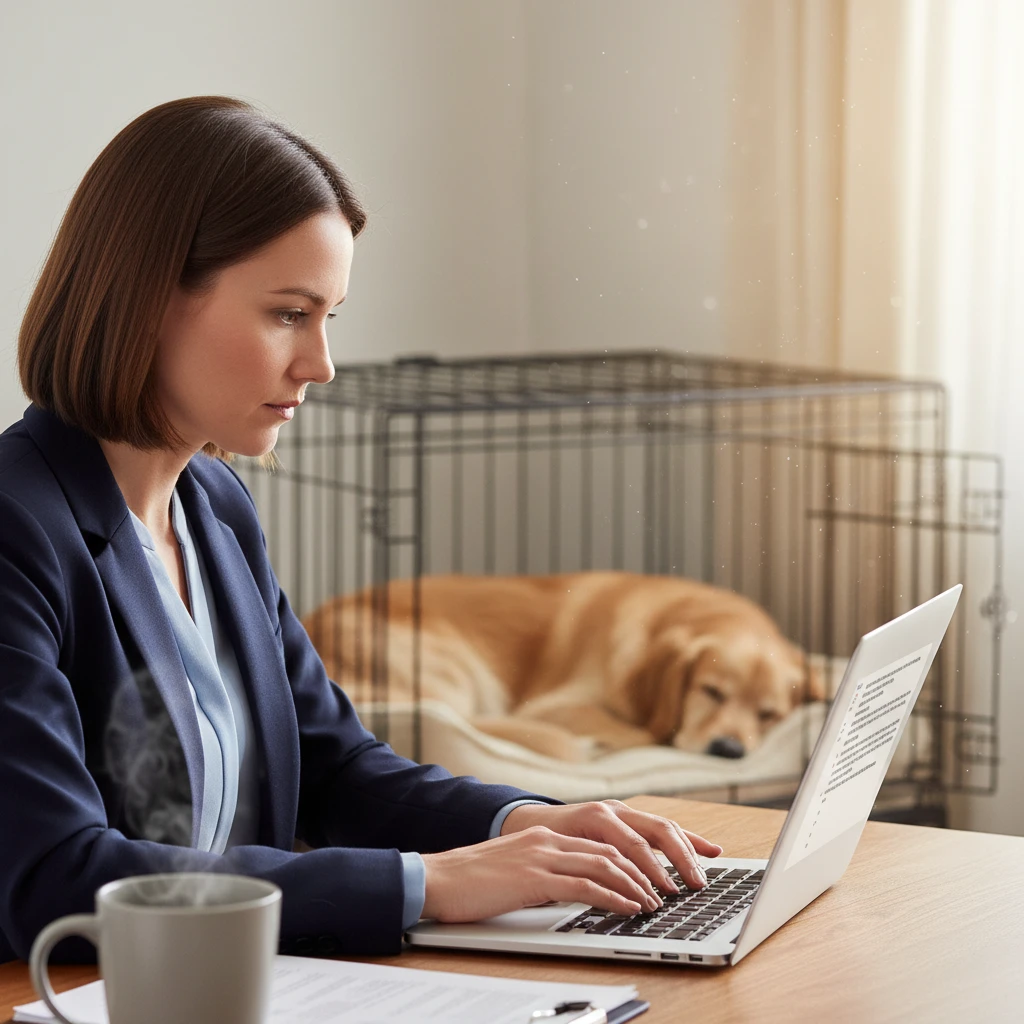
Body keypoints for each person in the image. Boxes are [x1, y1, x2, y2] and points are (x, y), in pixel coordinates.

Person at [0, 95, 722, 964]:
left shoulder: (214, 508)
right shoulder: (17, 531)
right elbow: (52, 879)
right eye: (288, 314)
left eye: (328, 317)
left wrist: (531, 823)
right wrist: (434, 884)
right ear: (151, 296)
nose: (322, 364)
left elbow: (332, 764)